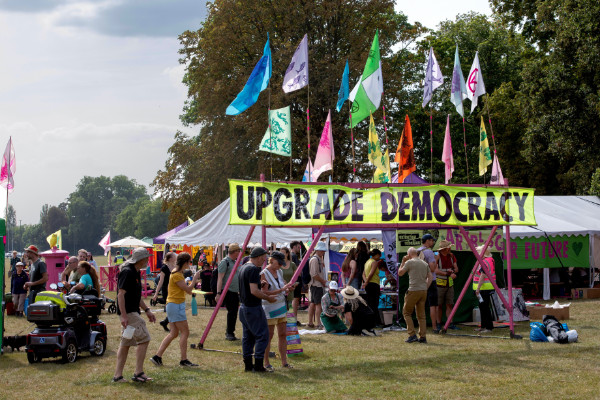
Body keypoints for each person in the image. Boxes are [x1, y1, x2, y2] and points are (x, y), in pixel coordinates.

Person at [150, 252, 201, 367]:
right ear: (185, 262)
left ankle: (157, 356)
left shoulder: (176, 273)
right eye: (189, 262)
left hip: (174, 304)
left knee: (173, 333)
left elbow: (183, 289)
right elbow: (188, 290)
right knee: (185, 332)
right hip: (175, 305)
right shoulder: (177, 274)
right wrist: (195, 279)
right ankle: (184, 360)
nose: (190, 264)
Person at [112, 248, 156, 383]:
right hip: (129, 313)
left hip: (132, 311)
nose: (148, 261)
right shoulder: (128, 272)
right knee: (144, 339)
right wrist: (124, 316)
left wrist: (147, 310)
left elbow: (136, 297)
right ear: (141, 259)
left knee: (125, 344)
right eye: (146, 258)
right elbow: (121, 294)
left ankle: (117, 376)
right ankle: (138, 373)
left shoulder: (135, 272)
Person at [238, 247, 277, 372]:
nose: (264, 262)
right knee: (263, 335)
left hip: (243, 307)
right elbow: (254, 291)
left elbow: (248, 287)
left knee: (247, 337)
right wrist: (268, 297)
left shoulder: (243, 267)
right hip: (253, 307)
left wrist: (261, 285)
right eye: (264, 259)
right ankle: (259, 365)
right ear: (259, 257)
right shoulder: (254, 269)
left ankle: (248, 365)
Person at [260, 251, 295, 371]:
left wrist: (288, 289)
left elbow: (284, 286)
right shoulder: (264, 274)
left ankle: (284, 361)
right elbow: (264, 293)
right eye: (279, 263)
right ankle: (266, 362)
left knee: (283, 334)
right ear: (272, 260)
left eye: (281, 264)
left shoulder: (279, 272)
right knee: (269, 336)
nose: (280, 266)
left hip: (281, 307)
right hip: (269, 309)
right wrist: (281, 290)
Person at [399, 247, 433, 344]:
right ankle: (423, 337)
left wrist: (403, 261)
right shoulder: (424, 263)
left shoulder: (409, 262)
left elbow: (400, 273)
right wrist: (426, 287)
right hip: (423, 291)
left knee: (406, 313)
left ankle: (412, 335)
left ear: (409, 255)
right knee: (421, 316)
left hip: (413, 290)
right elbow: (430, 276)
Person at [216, 243, 242, 341]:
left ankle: (231, 332)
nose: (239, 253)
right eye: (238, 251)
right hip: (228, 291)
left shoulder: (235, 262)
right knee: (232, 312)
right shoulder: (225, 262)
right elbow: (220, 278)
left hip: (235, 291)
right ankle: (229, 333)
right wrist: (218, 293)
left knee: (234, 312)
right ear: (234, 252)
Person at [417, 233, 440, 333]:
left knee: (419, 304)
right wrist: (436, 259)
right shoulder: (429, 252)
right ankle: (434, 327)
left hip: (419, 280)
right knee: (433, 305)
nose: (433, 242)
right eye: (432, 240)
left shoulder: (417, 251)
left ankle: (421, 327)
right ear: (427, 241)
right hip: (430, 280)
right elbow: (432, 268)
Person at [435, 240, 459, 331]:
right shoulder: (437, 257)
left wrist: (452, 271)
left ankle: (450, 323)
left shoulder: (452, 256)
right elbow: (435, 271)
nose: (450, 249)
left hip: (450, 284)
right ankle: (438, 324)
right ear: (444, 249)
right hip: (439, 285)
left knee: (449, 304)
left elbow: (456, 269)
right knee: (439, 305)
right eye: (449, 247)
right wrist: (447, 274)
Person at [474, 245, 496, 333]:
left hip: (484, 288)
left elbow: (483, 275)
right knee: (483, 307)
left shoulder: (485, 262)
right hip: (485, 287)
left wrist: (478, 288)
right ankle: (484, 326)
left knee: (485, 307)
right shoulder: (490, 260)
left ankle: (488, 327)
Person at [153, 252, 176, 332]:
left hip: (174, 289)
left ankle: (165, 322)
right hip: (166, 289)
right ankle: (167, 323)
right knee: (172, 308)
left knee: (174, 308)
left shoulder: (176, 267)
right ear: (170, 258)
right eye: (174, 256)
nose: (175, 257)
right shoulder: (164, 268)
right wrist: (156, 293)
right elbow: (160, 281)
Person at [307, 241, 328, 328]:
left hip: (316, 285)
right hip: (316, 285)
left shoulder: (318, 259)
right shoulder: (315, 260)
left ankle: (310, 322)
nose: (323, 252)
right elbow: (314, 274)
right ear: (318, 250)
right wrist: (323, 281)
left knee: (313, 303)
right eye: (322, 251)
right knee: (318, 304)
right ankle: (318, 323)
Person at [362, 249, 382, 326]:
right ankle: (376, 322)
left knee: (370, 304)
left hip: (368, 285)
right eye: (379, 256)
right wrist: (367, 282)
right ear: (376, 255)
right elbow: (371, 273)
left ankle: (370, 322)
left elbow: (363, 274)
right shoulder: (374, 262)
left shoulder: (367, 262)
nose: (380, 257)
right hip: (374, 284)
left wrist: (365, 282)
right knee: (375, 304)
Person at [289, 241, 304, 325]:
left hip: (293, 280)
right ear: (294, 247)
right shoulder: (293, 256)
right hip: (296, 280)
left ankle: (293, 318)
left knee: (294, 299)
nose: (299, 249)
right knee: (295, 299)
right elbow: (297, 269)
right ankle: (293, 319)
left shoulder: (292, 256)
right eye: (298, 247)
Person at [279, 247, 298, 312]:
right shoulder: (278, 264)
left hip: (290, 290)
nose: (282, 254)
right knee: (281, 310)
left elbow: (296, 277)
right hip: (281, 290)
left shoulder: (292, 264)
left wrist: (292, 286)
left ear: (287, 254)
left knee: (290, 311)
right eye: (280, 253)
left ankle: (291, 322)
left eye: (283, 253)